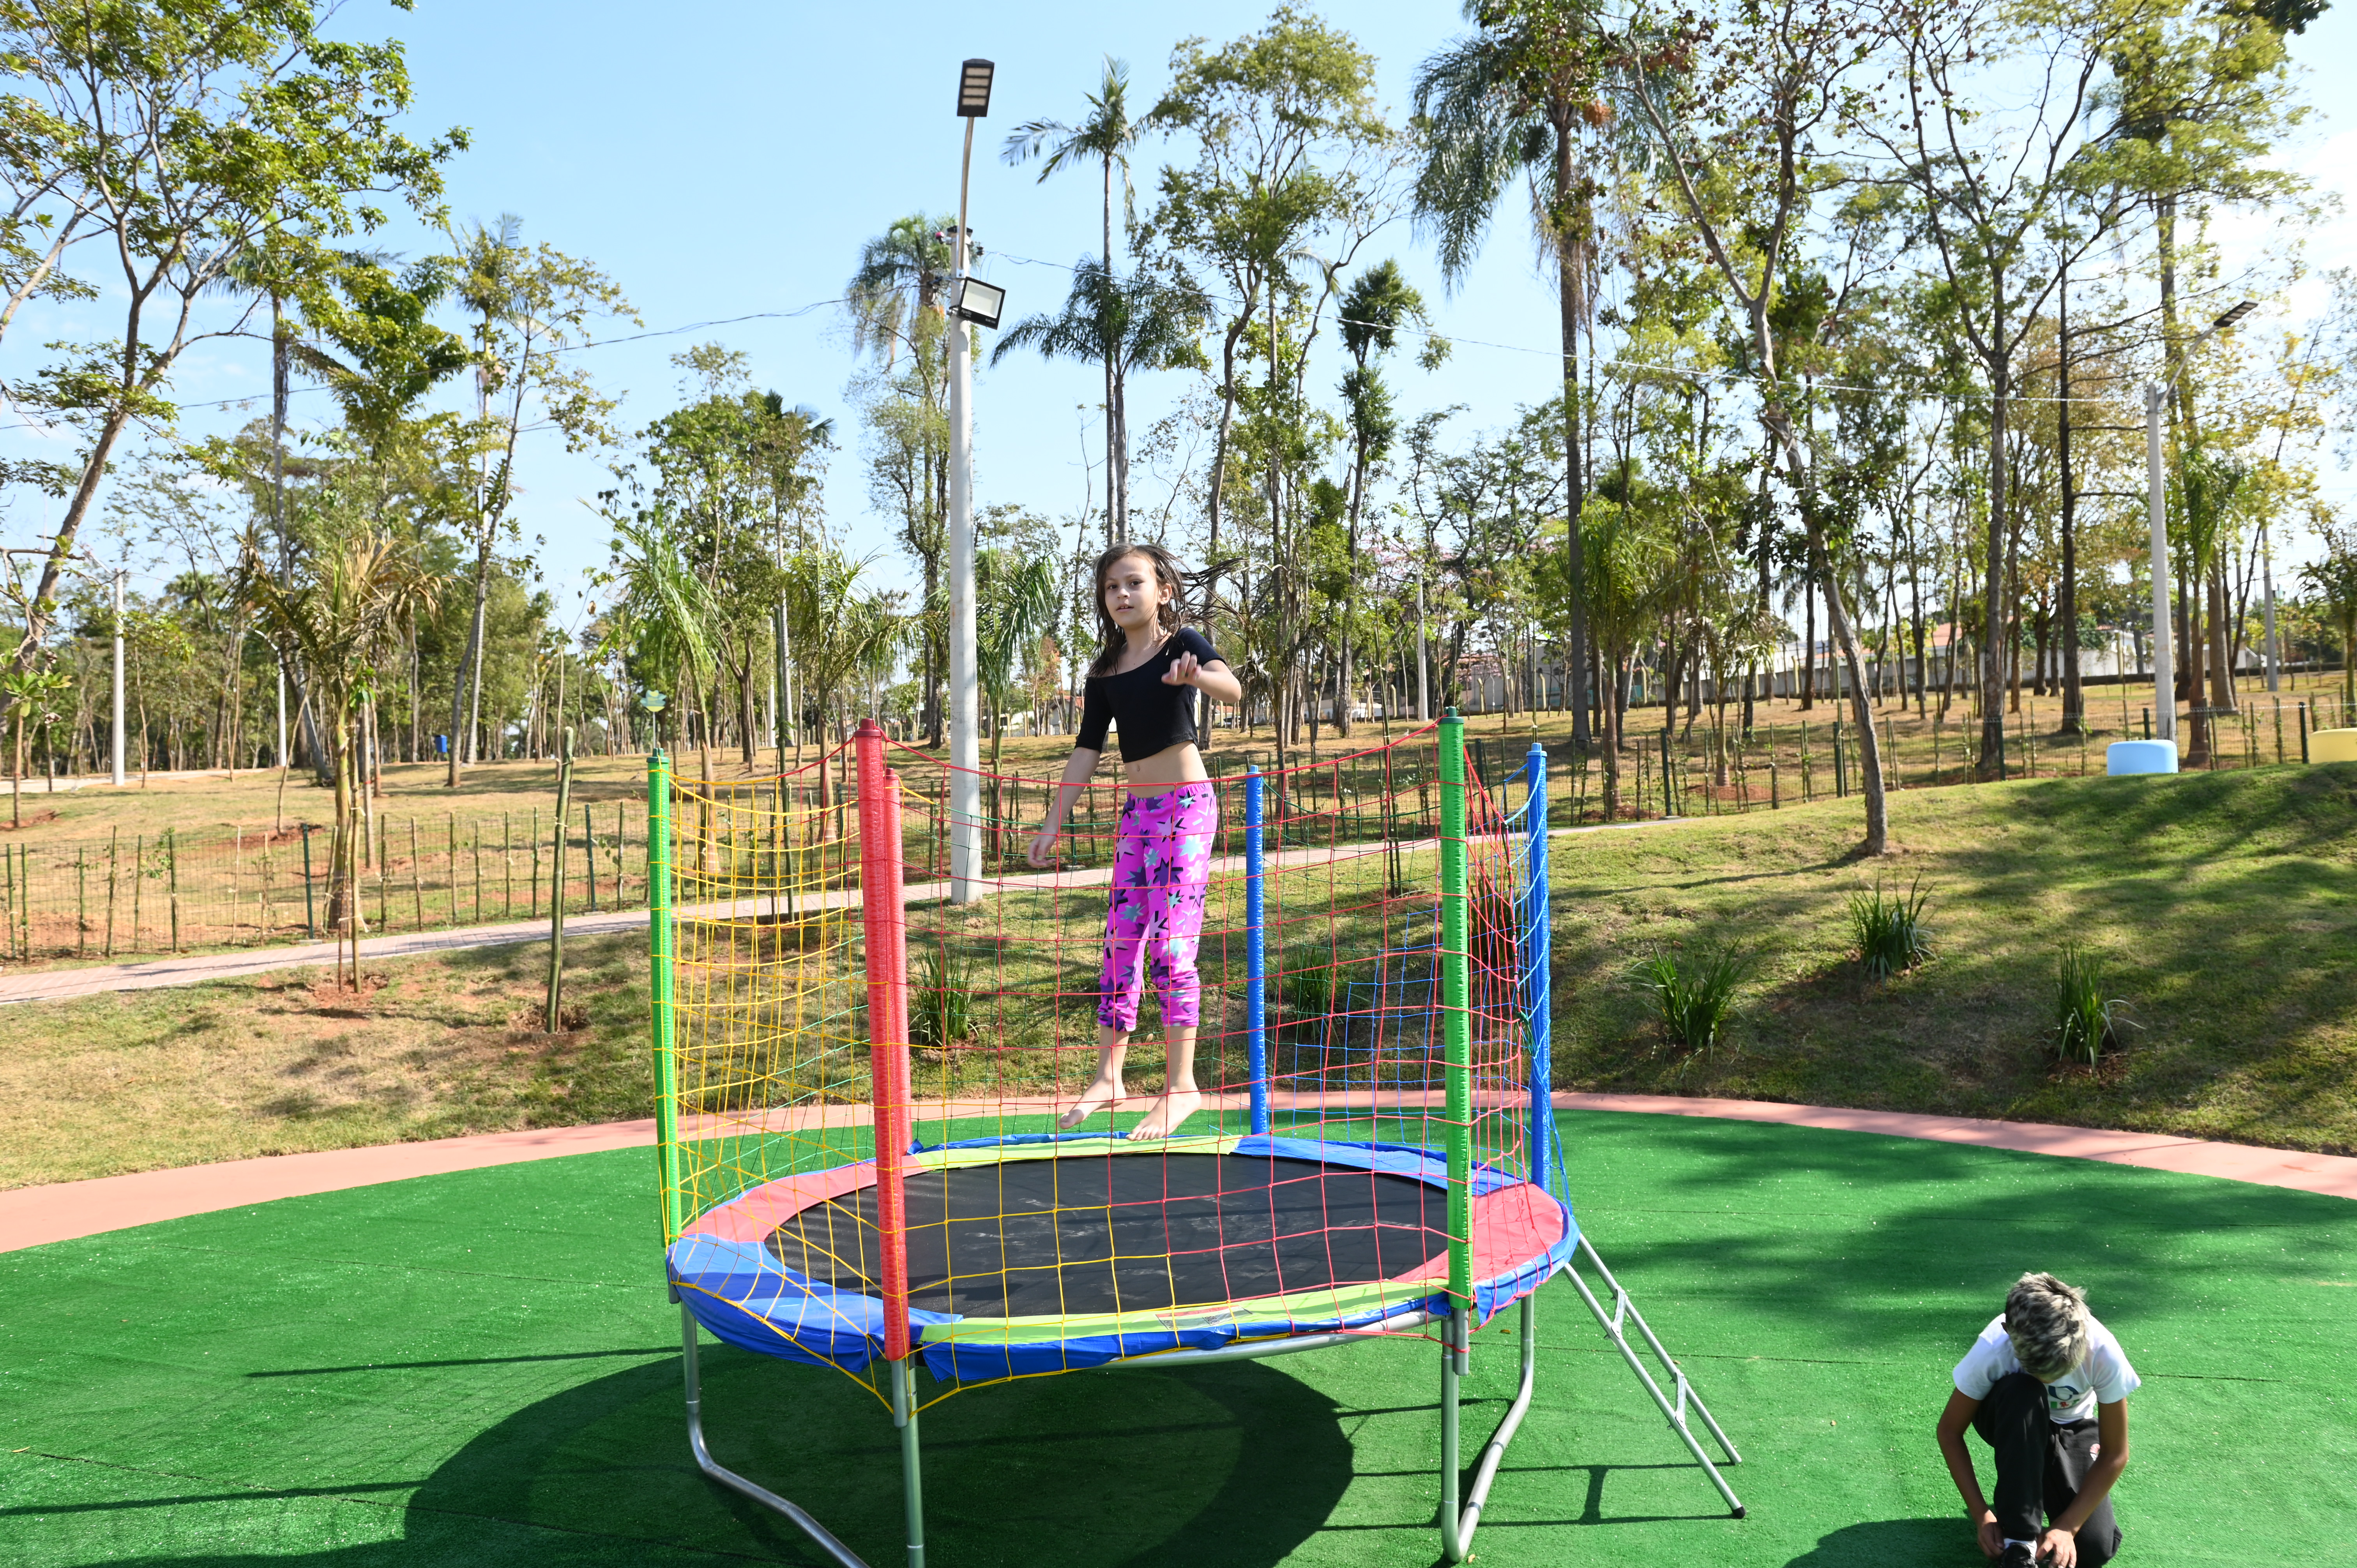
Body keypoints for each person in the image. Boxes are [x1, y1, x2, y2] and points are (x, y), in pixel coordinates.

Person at [1026, 542, 1241, 1141]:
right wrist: (1053, 821)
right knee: (1122, 945)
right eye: (1111, 588)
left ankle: (1182, 1089)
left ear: (1162, 591)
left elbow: (1234, 688)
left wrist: (1198, 675)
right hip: (1137, 816)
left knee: (1172, 951)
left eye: (1134, 584)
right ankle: (1109, 1076)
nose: (1122, 595)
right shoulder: (1104, 671)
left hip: (1188, 811)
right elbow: (1086, 751)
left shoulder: (1182, 645)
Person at [1936, 1272, 2137, 1568]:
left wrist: (2067, 1527)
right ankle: (2020, 1542)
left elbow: (2115, 1453)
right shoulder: (1993, 1346)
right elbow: (1950, 1431)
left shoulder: (2103, 1349)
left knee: (2093, 1548)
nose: (2048, 1381)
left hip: (2072, 1426)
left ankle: (2036, 1499)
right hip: (2011, 1415)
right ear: (2008, 1331)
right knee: (2025, 1391)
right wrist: (1982, 1515)